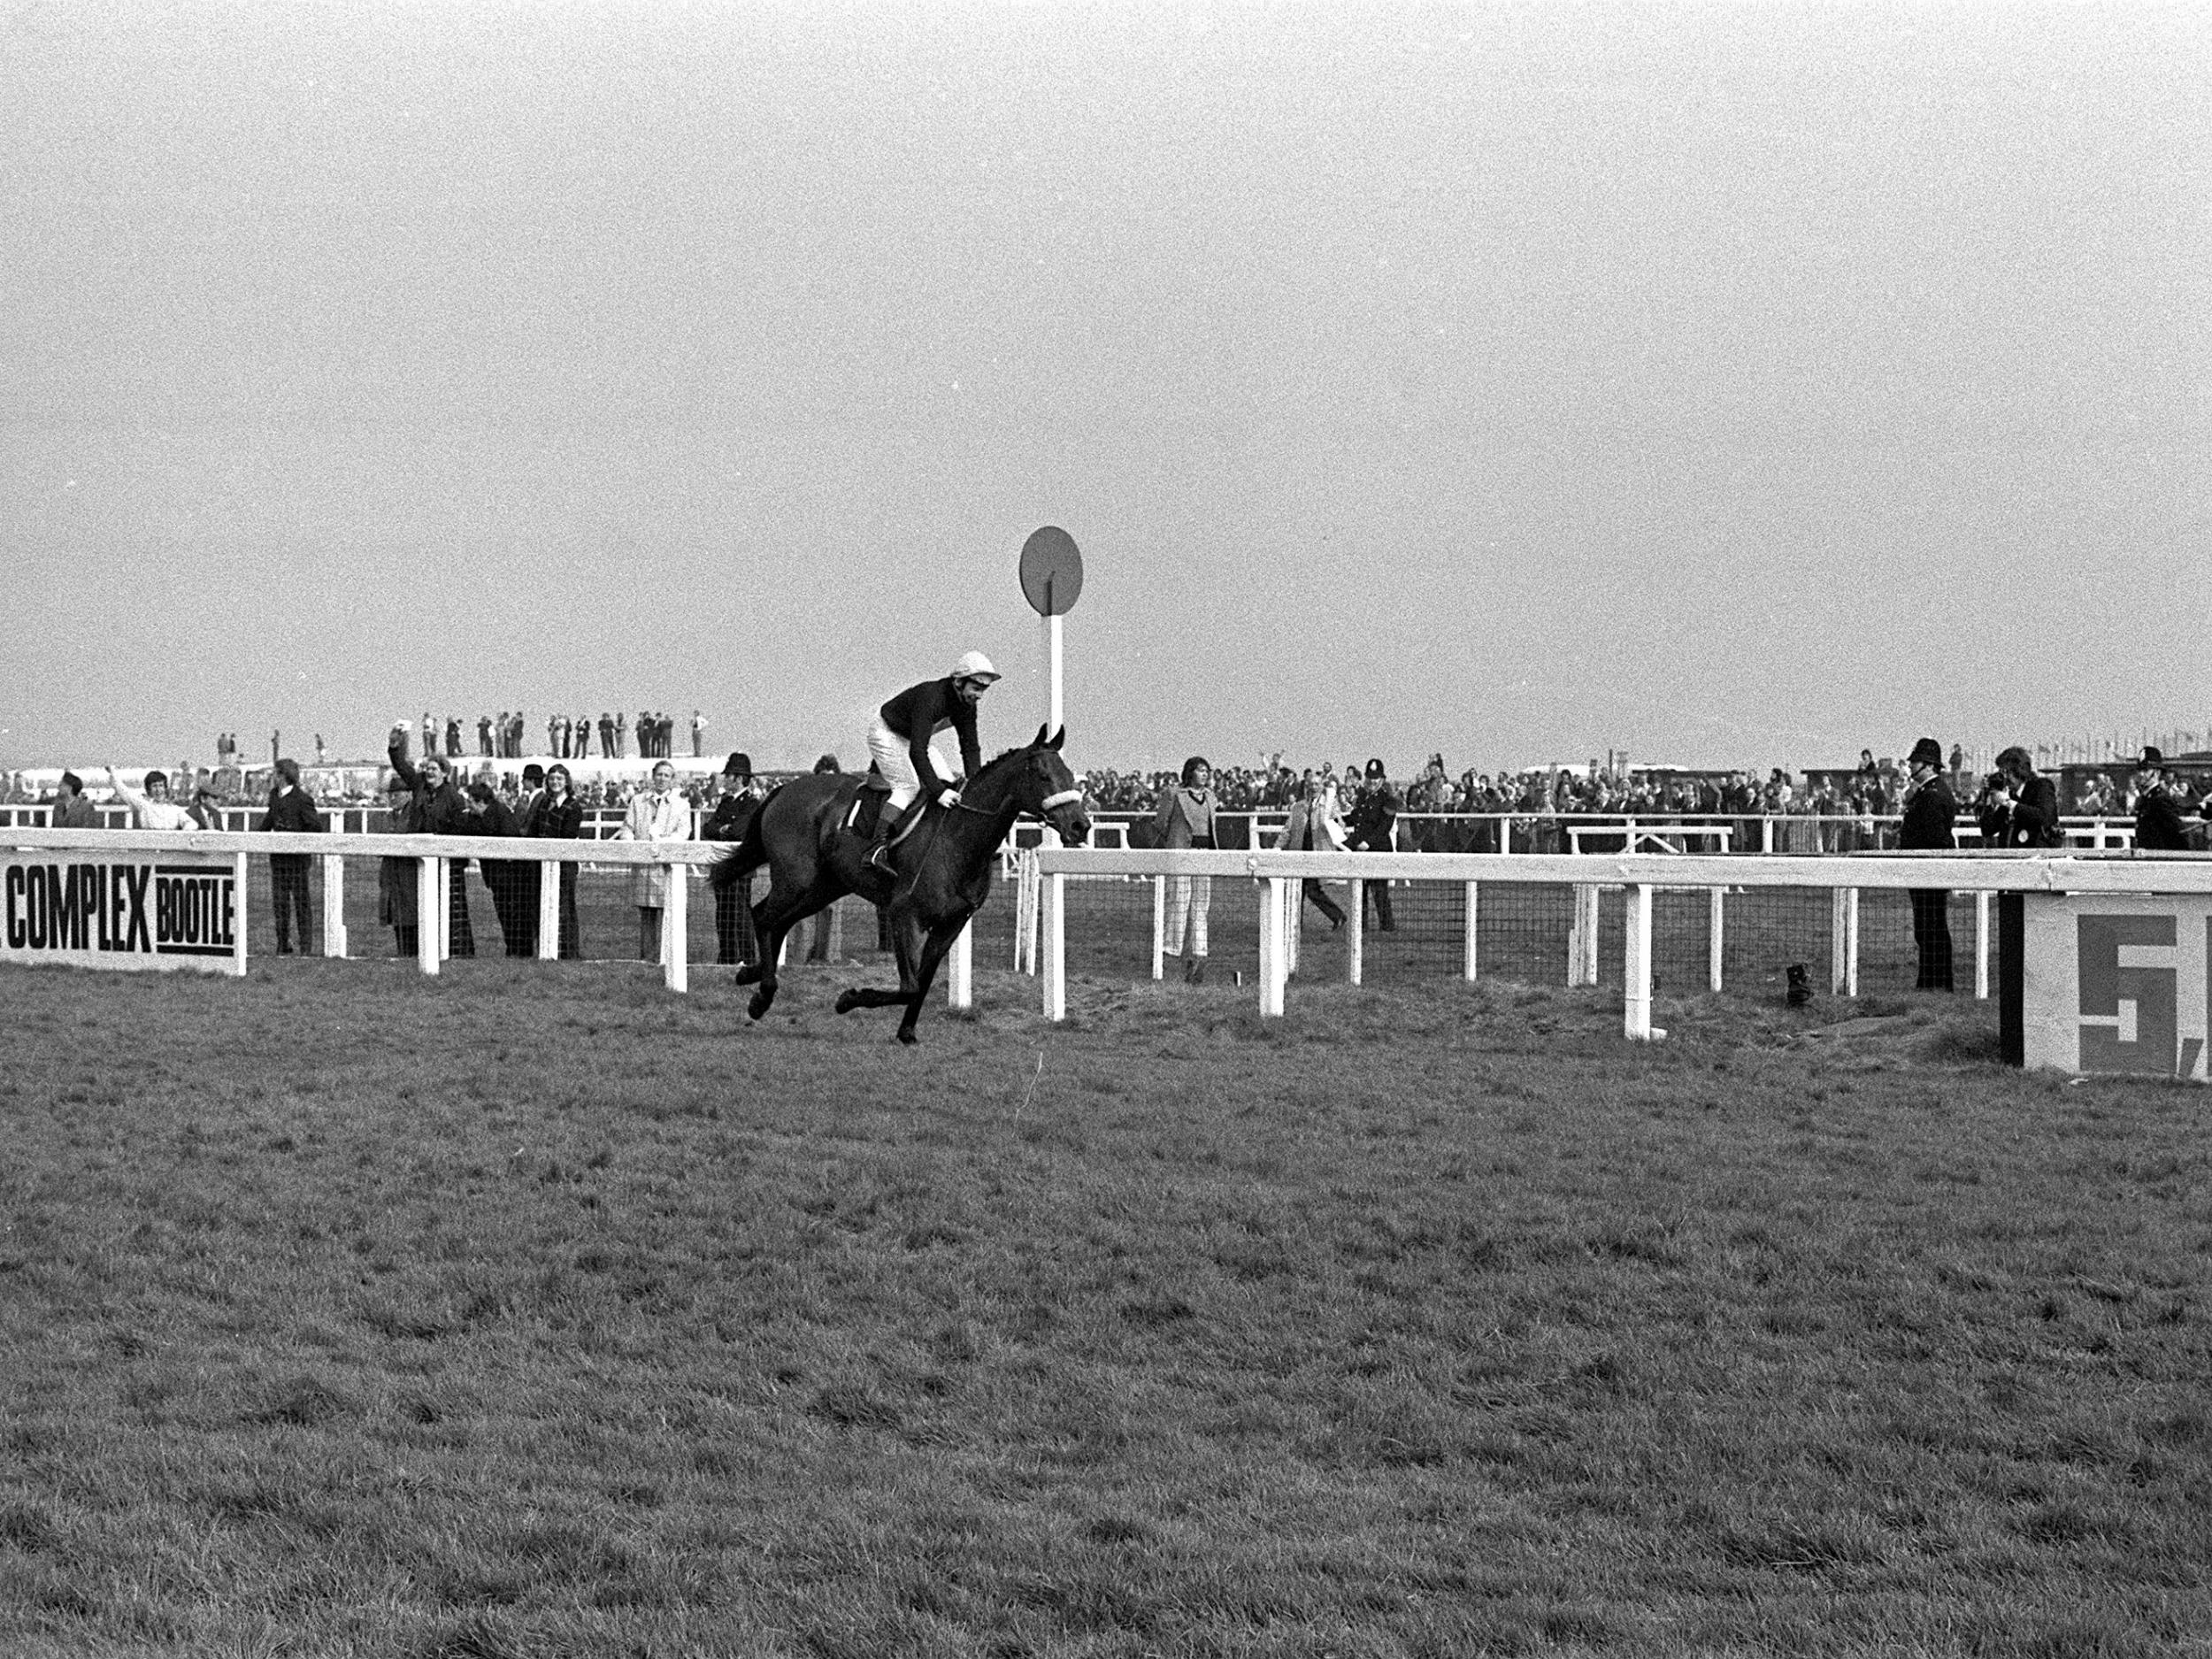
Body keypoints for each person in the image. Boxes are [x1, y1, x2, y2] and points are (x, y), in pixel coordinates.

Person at [863, 650, 1000, 873]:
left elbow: (970, 748)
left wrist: (976, 786)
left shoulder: (966, 706)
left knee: (949, 783)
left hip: (910, 737)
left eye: (984, 689)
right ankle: (876, 849)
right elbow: (918, 752)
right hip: (886, 732)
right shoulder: (931, 698)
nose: (980, 695)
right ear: (958, 681)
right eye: (976, 688)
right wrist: (938, 792)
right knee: (908, 787)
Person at [387, 722, 476, 956]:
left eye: (434, 769)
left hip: (446, 862)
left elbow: (460, 829)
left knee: (450, 909)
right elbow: (402, 766)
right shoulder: (419, 787)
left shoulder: (454, 797)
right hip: (422, 858)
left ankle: (456, 951)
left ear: (445, 773)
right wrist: (396, 745)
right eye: (427, 768)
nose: (429, 772)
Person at [1151, 756, 1219, 981]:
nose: (1205, 774)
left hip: (1204, 855)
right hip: (1180, 854)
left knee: (1201, 905)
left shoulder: (1211, 797)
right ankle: (1171, 950)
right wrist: (1174, 840)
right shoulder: (1174, 795)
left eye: (1207, 771)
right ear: (1190, 772)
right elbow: (1161, 823)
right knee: (1179, 902)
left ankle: (1200, 952)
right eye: (1200, 770)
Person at [614, 758, 689, 960]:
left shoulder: (681, 805)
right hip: (643, 866)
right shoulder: (638, 801)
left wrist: (661, 844)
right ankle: (647, 957)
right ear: (653, 776)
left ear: (672, 779)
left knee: (668, 913)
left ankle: (667, 958)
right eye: (659, 774)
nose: (662, 778)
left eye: (666, 775)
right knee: (647, 913)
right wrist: (635, 845)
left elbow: (683, 833)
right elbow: (627, 828)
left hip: (666, 867)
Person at [1897, 736, 1956, 993]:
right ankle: (1932, 983)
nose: (1911, 767)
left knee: (1931, 930)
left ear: (1929, 766)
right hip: (1924, 872)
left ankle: (1935, 984)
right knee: (1928, 929)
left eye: (1916, 762)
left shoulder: (1932, 796)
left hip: (1928, 873)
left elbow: (1935, 838)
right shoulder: (1928, 792)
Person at [257, 757, 326, 956]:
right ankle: (282, 944)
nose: (272, 777)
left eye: (275, 773)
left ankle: (306, 947)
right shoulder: (274, 796)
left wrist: (297, 840)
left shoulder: (302, 799)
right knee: (280, 904)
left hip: (297, 862)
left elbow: (315, 827)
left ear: (283, 775)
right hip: (278, 861)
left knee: (302, 904)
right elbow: (269, 820)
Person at [699, 752, 760, 965]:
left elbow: (739, 832)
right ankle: (727, 956)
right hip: (722, 867)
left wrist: (722, 830)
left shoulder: (751, 804)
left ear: (739, 778)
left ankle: (746, 957)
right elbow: (708, 828)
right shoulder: (725, 802)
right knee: (723, 914)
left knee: (740, 914)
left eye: (729, 776)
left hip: (740, 868)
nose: (725, 779)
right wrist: (723, 829)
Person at [522, 762, 585, 958]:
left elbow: (568, 835)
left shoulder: (573, 806)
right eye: (551, 779)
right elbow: (533, 829)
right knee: (539, 905)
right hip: (540, 863)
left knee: (564, 907)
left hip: (564, 864)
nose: (555, 782)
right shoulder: (543, 802)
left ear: (566, 782)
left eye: (559, 779)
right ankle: (544, 949)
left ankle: (568, 951)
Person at [465, 780, 529, 956]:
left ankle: (521, 951)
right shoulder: (476, 817)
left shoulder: (500, 812)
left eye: (470, 801)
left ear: (481, 801)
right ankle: (513, 950)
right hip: (496, 878)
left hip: (512, 877)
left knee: (516, 915)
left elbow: (511, 842)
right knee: (504, 915)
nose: (468, 806)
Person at [1280, 773, 1348, 929]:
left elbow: (1340, 825)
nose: (1313, 787)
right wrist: (1277, 847)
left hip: (1317, 852)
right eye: (1311, 784)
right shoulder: (1298, 807)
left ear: (1322, 786)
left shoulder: (1329, 806)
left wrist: (1335, 822)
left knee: (1310, 890)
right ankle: (1296, 924)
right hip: (1299, 853)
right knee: (1299, 889)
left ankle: (1336, 916)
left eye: (1317, 784)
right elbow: (1287, 830)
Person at [1346, 757, 1402, 932]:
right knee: (1359, 890)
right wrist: (1341, 821)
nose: (1372, 781)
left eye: (1375, 778)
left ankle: (1387, 927)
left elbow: (1384, 826)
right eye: (1369, 778)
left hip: (1377, 849)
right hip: (1360, 849)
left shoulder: (1389, 800)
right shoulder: (1363, 796)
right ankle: (1361, 926)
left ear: (1382, 780)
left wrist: (1368, 843)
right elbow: (1357, 817)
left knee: (1379, 892)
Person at [1982, 746, 2061, 849]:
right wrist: (1990, 802)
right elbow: (1987, 829)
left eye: (2006, 772)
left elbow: (2046, 818)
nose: (2004, 778)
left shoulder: (2041, 786)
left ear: (2019, 770)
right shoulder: (2011, 796)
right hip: (2010, 858)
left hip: (2038, 855)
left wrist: (2010, 804)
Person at [378, 771, 421, 957]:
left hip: (408, 876)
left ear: (408, 794)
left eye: (397, 794)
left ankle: (414, 956)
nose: (392, 798)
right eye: (390, 794)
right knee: (397, 918)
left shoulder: (414, 815)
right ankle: (403, 955)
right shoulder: (389, 817)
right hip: (391, 876)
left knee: (412, 918)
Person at [2133, 746, 2190, 852]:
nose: (2141, 774)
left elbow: (2179, 832)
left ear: (2157, 773)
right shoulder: (2147, 798)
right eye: (2140, 770)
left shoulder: (2161, 799)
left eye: (2146, 770)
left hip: (2159, 859)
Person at [106, 765, 195, 832]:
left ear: (165, 788)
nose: (158, 790)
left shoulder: (174, 809)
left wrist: (181, 834)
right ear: (149, 789)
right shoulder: (144, 805)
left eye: (161, 785)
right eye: (154, 786)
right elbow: (125, 792)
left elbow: (191, 823)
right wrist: (112, 771)